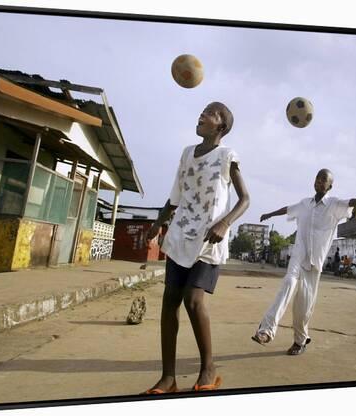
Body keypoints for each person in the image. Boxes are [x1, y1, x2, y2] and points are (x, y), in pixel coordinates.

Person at [143, 102, 250, 394]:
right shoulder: (187, 153)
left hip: (208, 239)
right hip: (180, 235)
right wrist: (157, 224)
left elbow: (245, 200)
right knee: (169, 304)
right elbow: (174, 197)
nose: (202, 115)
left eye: (211, 114)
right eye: (203, 111)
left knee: (193, 300)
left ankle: (208, 369)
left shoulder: (228, 156)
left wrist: (225, 223)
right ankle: (168, 378)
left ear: (221, 127)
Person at [251, 169, 356, 355]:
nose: (319, 182)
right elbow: (287, 209)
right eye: (318, 178)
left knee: (303, 308)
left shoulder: (334, 204)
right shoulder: (304, 204)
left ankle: (300, 341)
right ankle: (266, 330)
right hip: (299, 255)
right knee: (288, 283)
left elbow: (351, 202)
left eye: (324, 180)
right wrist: (270, 214)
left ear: (330, 185)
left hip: (314, 264)